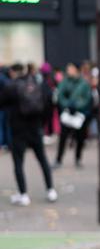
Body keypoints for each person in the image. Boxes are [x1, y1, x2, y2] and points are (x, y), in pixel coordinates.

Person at [0, 63, 57, 205]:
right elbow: (48, 104)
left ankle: (23, 194)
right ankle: (50, 190)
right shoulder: (37, 84)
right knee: (42, 159)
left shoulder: (11, 87)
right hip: (35, 128)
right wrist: (42, 124)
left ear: (13, 72)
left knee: (18, 162)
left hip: (18, 130)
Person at [55, 62, 93, 169]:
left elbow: (87, 98)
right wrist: (67, 105)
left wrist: (77, 106)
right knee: (63, 137)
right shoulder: (64, 82)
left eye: (70, 68)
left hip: (79, 115)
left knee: (80, 138)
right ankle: (58, 159)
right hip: (67, 114)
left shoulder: (84, 83)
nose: (68, 70)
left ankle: (78, 158)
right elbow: (60, 96)